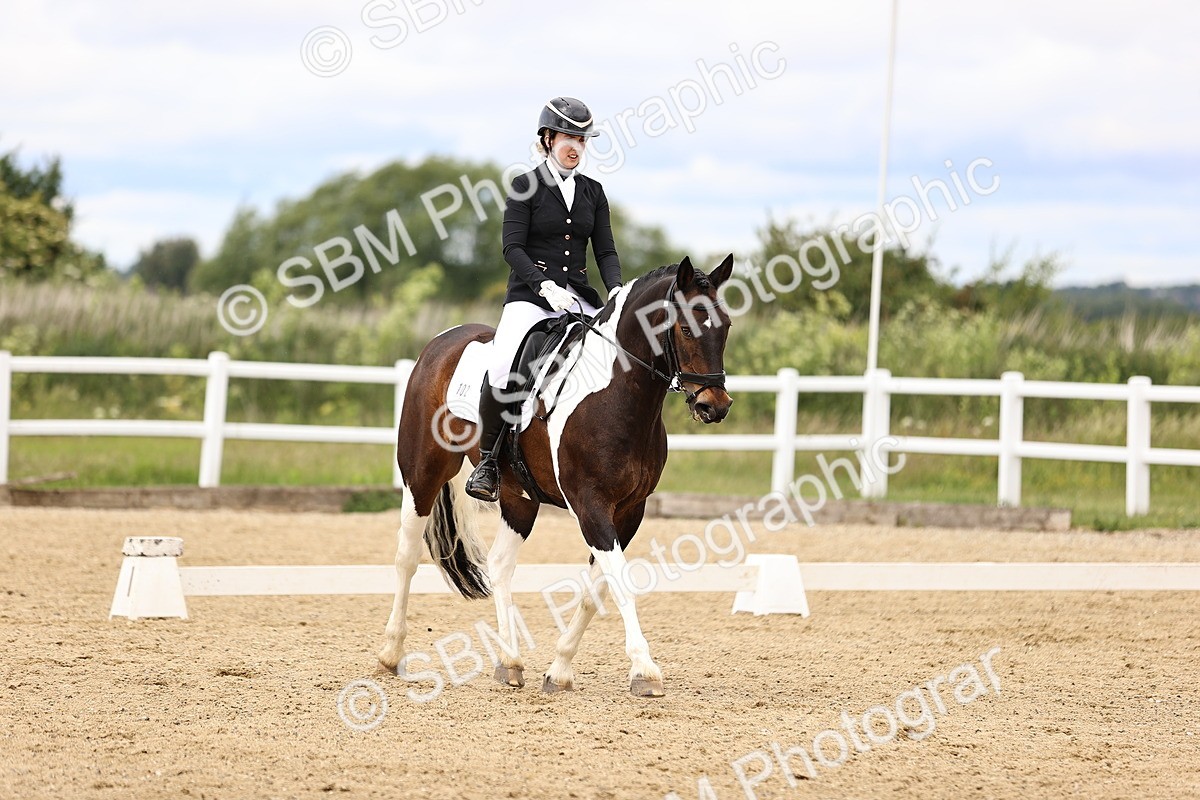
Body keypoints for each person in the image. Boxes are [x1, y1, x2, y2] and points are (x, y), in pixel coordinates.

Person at [464, 96, 623, 502]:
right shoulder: (525, 185)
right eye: (568, 136)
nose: (575, 146)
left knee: (618, 355)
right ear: (548, 139)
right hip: (532, 296)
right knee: (503, 365)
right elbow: (512, 247)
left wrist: (616, 289)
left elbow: (604, 250)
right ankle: (487, 461)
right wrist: (543, 286)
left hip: (580, 297)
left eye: (582, 139)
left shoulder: (594, 192)